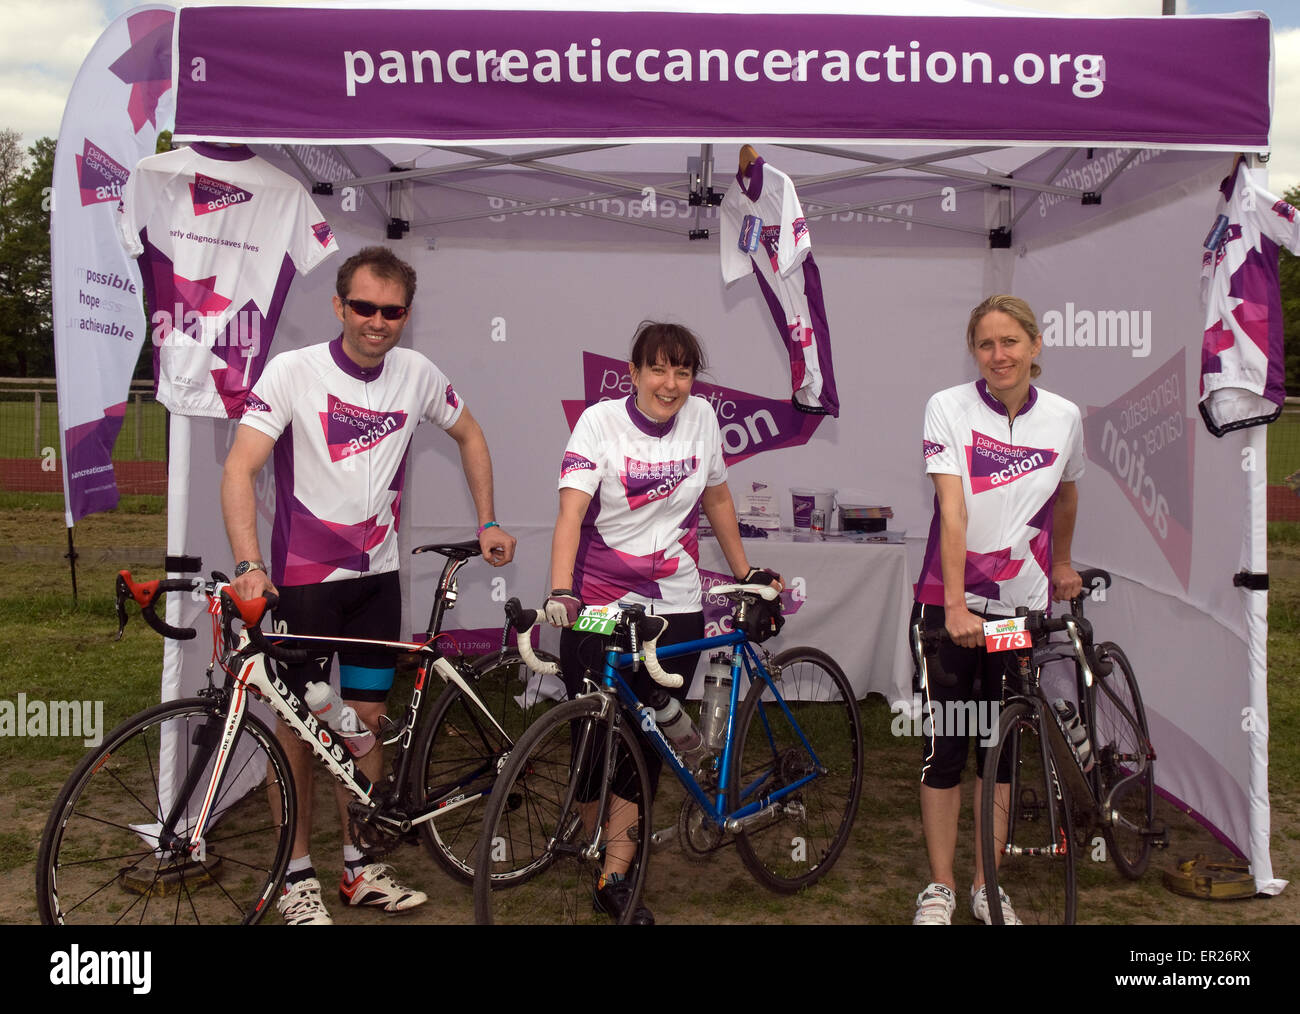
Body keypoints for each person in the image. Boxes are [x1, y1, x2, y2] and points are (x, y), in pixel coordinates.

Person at [221, 245, 516, 925]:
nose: (376, 321)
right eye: (364, 307)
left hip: (376, 583)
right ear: (339, 306)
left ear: (405, 316)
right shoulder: (294, 372)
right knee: (295, 732)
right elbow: (240, 469)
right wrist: (246, 565)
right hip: (299, 584)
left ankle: (359, 868)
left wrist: (490, 518)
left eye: (391, 311)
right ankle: (296, 878)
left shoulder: (415, 375)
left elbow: (471, 435)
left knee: (363, 728)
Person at [543, 320, 779, 925]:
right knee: (591, 735)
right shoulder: (599, 423)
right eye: (658, 369)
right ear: (634, 373)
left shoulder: (702, 417)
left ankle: (616, 872)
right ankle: (597, 840)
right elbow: (570, 514)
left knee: (641, 743)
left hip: (675, 606)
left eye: (683, 370)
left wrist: (746, 573)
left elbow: (718, 499)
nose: (671, 384)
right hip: (598, 606)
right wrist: (561, 591)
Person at [910, 294, 1083, 926]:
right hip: (948, 603)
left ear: (1035, 347)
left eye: (1010, 342)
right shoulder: (948, 407)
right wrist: (956, 605)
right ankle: (939, 888)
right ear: (973, 351)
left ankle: (987, 884)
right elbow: (952, 508)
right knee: (946, 746)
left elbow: (1066, 493)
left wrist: (1063, 561)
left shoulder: (1064, 417)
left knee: (1000, 747)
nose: (998, 355)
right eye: (986, 343)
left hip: (1017, 608)